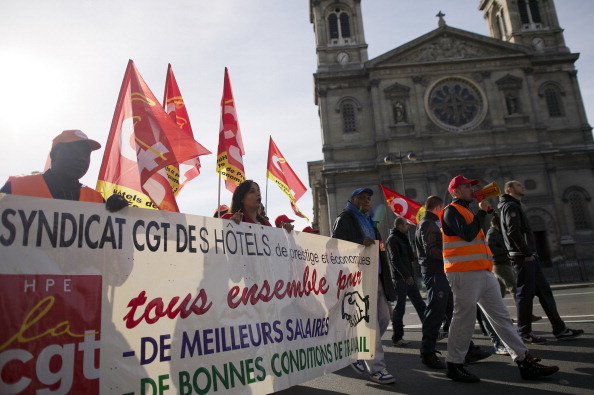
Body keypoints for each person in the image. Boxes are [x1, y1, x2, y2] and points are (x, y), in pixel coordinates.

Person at [441, 175, 559, 383]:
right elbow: (467, 234)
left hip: (483, 272)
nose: (471, 189)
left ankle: (523, 359)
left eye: (471, 185)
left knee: (502, 316)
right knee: (464, 318)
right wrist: (481, 211)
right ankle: (454, 364)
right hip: (464, 273)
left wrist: (483, 212)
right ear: (455, 191)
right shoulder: (451, 211)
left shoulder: (468, 211)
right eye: (467, 186)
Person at [498, 180, 583, 343]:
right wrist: (527, 252)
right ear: (510, 189)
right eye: (518, 185)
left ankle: (559, 329)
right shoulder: (511, 206)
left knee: (544, 292)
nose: (522, 186)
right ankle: (524, 331)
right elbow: (513, 231)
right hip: (524, 258)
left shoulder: (513, 205)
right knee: (524, 294)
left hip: (529, 257)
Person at [332, 187, 396, 385]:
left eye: (369, 198)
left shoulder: (368, 219)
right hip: (358, 277)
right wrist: (360, 242)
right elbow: (337, 246)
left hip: (375, 275)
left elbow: (379, 247)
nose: (367, 200)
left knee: (384, 318)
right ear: (352, 199)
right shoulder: (345, 218)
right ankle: (377, 369)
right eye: (362, 197)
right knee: (370, 323)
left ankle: (359, 350)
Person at [1, 130, 127, 212]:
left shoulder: (96, 199)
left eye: (86, 154)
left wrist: (121, 213)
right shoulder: (16, 187)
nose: (81, 158)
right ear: (54, 154)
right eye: (73, 151)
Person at [415, 196, 451, 369]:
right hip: (435, 271)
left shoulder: (429, 223)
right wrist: (449, 255)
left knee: (451, 309)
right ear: (439, 207)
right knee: (435, 311)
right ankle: (427, 351)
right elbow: (431, 250)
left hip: (439, 271)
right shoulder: (428, 224)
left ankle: (467, 348)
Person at [387, 216, 426, 346]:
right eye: (406, 225)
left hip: (409, 277)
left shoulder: (402, 238)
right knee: (400, 308)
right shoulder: (393, 240)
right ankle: (397, 337)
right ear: (400, 226)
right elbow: (395, 260)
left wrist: (414, 255)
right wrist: (406, 275)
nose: (408, 227)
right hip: (401, 279)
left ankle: (430, 332)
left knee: (420, 305)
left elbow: (407, 258)